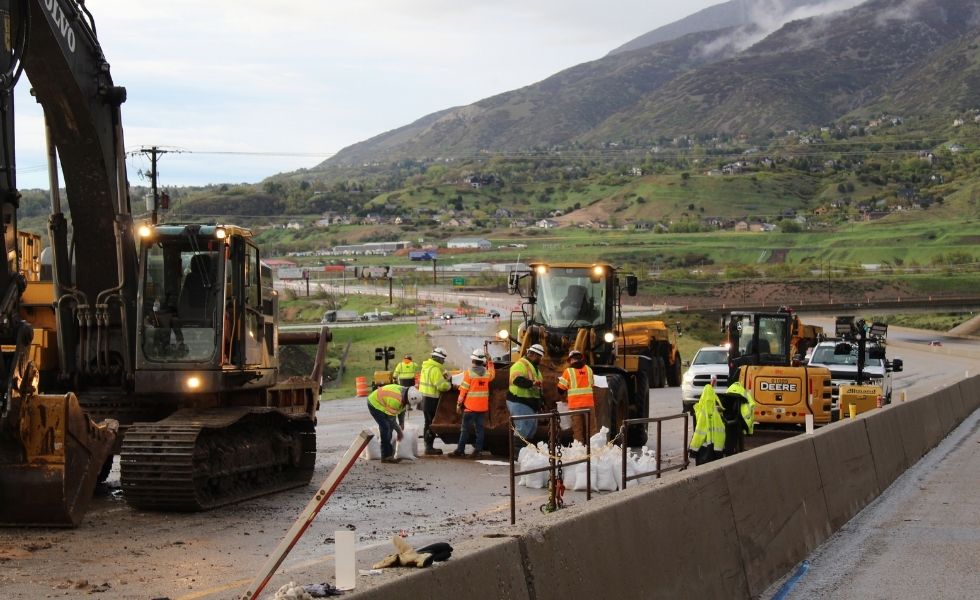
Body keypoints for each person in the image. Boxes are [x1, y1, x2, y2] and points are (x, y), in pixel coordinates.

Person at [450, 349, 493, 458]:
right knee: (480, 430)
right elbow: (493, 374)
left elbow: (463, 391)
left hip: (470, 408)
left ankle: (460, 450)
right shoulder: (487, 374)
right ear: (482, 361)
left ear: (473, 360)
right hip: (482, 408)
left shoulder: (469, 373)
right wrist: (490, 361)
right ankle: (477, 451)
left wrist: (458, 405)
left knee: (465, 430)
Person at [507, 343, 544, 448]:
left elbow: (538, 389)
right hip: (519, 401)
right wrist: (532, 383)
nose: (540, 359)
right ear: (533, 355)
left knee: (531, 430)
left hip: (530, 403)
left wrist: (541, 402)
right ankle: (517, 452)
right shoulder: (520, 365)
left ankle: (527, 453)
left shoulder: (535, 369)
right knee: (522, 428)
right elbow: (517, 380)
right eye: (539, 357)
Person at [418, 347, 452, 455]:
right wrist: (450, 385)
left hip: (424, 398)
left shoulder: (426, 367)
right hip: (431, 400)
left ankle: (428, 446)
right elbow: (441, 386)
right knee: (432, 424)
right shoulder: (435, 370)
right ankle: (429, 447)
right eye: (442, 359)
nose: (443, 361)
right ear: (438, 359)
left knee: (427, 423)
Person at [557, 349, 595, 444]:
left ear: (571, 360)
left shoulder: (568, 372)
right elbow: (592, 384)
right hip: (589, 404)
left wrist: (563, 396)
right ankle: (594, 447)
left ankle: (579, 448)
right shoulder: (589, 369)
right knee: (591, 427)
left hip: (575, 405)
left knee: (577, 429)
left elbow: (561, 389)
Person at [367, 383, 410, 464]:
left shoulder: (405, 393)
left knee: (388, 427)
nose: (408, 404)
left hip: (383, 401)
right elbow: (391, 420)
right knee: (386, 427)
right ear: (407, 398)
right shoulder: (396, 400)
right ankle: (385, 457)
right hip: (374, 404)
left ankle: (389, 454)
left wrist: (402, 423)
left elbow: (402, 410)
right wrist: (399, 432)